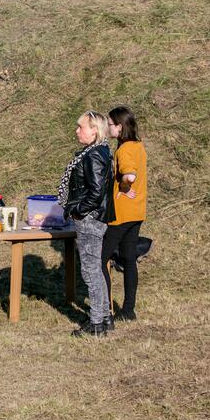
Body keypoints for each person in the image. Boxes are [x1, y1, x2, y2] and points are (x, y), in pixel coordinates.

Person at [58, 110, 115, 337]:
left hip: (90, 219)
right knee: (95, 270)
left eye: (81, 127)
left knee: (90, 271)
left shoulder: (93, 155)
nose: (77, 131)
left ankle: (96, 324)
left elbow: (96, 191)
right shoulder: (98, 152)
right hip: (94, 217)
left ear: (94, 130)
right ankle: (104, 317)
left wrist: (78, 211)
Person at [101, 106, 147, 322]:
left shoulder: (125, 149)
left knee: (100, 259)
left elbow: (129, 175)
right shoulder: (138, 146)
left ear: (119, 127)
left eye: (110, 124)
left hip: (121, 214)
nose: (108, 128)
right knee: (129, 259)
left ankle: (104, 310)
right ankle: (128, 310)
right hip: (137, 212)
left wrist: (123, 186)